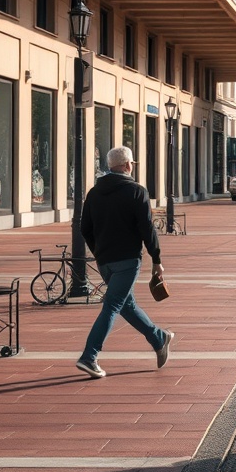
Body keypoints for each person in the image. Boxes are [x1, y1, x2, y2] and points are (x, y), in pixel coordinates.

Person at [77, 146, 174, 379]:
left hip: (105, 262)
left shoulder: (94, 192)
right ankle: (89, 357)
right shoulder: (136, 191)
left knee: (125, 305)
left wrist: (98, 252)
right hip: (128, 260)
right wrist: (156, 259)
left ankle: (159, 338)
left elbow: (84, 229)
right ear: (128, 165)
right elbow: (147, 229)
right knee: (113, 305)